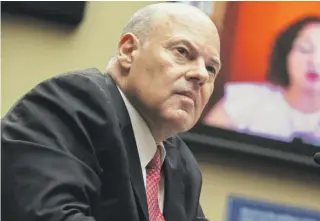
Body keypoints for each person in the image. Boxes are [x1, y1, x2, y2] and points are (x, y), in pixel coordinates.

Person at [1, 3, 221, 221]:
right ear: (128, 51)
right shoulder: (70, 106)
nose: (201, 74)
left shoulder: (180, 164)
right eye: (182, 52)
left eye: (211, 68)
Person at [204, 16, 320, 163]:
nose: (315, 61)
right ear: (286, 54)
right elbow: (201, 157)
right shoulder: (244, 100)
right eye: (304, 49)